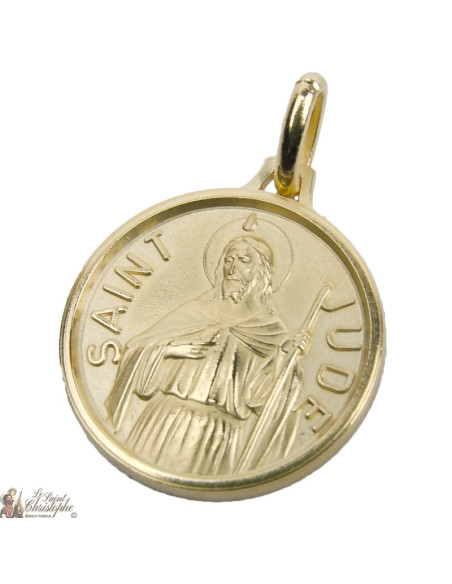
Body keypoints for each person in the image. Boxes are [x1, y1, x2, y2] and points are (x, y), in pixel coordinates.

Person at [105, 235, 304, 475]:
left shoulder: (271, 330)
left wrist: (286, 356)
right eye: (228, 260)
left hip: (219, 432)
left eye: (244, 260)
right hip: (165, 416)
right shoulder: (197, 310)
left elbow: (264, 397)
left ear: (261, 272)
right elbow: (136, 348)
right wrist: (170, 349)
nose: (233, 269)